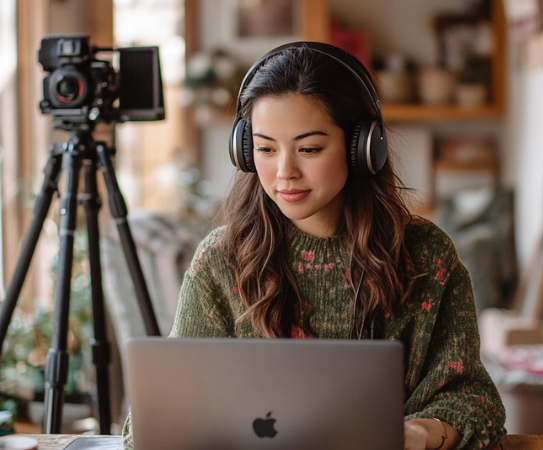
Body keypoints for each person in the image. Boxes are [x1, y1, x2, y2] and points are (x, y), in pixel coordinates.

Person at [122, 41, 506, 450]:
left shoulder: (427, 255)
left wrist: (421, 432)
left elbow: (475, 403)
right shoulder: (221, 259)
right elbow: (156, 419)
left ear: (362, 147)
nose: (285, 172)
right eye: (266, 149)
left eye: (308, 149)